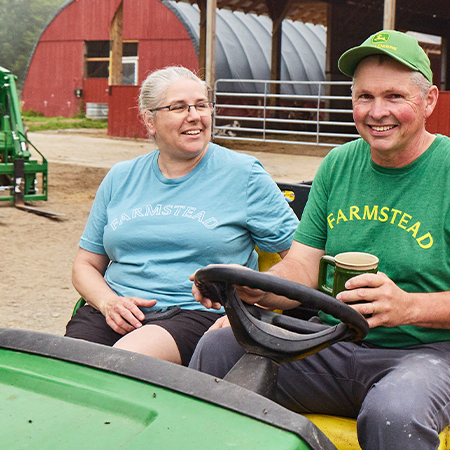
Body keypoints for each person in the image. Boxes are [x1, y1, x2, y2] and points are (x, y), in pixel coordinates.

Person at [190, 30, 450, 449]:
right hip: (329, 342)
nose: (377, 111)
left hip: (425, 356)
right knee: (217, 348)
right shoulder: (339, 164)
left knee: (394, 414)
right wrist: (251, 287)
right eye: (364, 96)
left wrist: (408, 306)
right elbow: (303, 269)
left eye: (394, 96)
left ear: (429, 100)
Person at [64, 66, 299, 366]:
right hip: (115, 310)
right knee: (63, 369)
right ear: (149, 120)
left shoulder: (244, 175)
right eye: (178, 107)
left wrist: (248, 305)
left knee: (121, 364)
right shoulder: (120, 177)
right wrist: (108, 302)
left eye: (201, 105)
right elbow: (85, 264)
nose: (194, 115)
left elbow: (302, 264)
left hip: (198, 314)